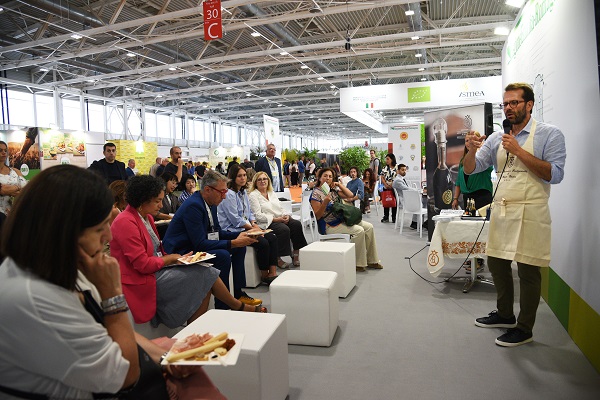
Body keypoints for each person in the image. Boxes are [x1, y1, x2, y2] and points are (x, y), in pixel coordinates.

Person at [464, 82, 566, 347]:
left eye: (514, 103)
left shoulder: (549, 134)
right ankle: (505, 315)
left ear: (529, 105)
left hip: (531, 211)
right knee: (496, 263)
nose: (508, 108)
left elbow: (555, 174)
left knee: (528, 270)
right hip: (504, 209)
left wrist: (519, 150)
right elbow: (471, 170)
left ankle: (524, 328)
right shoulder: (497, 138)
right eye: (505, 103)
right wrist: (471, 149)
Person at [111, 176, 265, 331]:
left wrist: (177, 259)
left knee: (206, 273)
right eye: (157, 201)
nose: (161, 205)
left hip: (158, 268)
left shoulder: (146, 217)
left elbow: (159, 250)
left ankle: (197, 328)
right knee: (207, 273)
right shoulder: (125, 222)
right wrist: (171, 259)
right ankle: (234, 307)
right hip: (142, 279)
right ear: (143, 200)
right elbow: (142, 264)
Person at [162, 170, 262, 309]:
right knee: (223, 255)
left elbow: (216, 232)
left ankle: (238, 293)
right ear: (208, 189)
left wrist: (242, 235)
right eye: (222, 192)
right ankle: (224, 306)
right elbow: (200, 243)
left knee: (240, 247)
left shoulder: (211, 203)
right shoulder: (194, 206)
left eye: (225, 191)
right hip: (182, 252)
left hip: (194, 245)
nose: (225, 196)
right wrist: (232, 242)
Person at [310, 167, 382, 272]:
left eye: (330, 176)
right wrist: (325, 203)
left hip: (342, 219)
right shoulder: (316, 193)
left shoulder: (332, 189)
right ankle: (358, 263)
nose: (328, 178)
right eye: (325, 176)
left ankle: (372, 260)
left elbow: (350, 195)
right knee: (359, 231)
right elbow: (317, 216)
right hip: (329, 224)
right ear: (319, 178)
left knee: (369, 227)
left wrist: (339, 185)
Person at [218, 165, 280, 285]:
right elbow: (235, 219)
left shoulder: (243, 192)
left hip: (246, 226)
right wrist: (253, 229)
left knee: (272, 237)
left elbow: (250, 213)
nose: (243, 178)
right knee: (263, 242)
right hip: (232, 230)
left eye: (244, 175)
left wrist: (254, 223)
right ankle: (264, 275)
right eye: (239, 176)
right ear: (233, 177)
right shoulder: (229, 194)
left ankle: (273, 272)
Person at [249, 171, 308, 268]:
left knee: (296, 225)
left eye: (264, 179)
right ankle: (277, 258)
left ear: (268, 181)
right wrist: (276, 220)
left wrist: (286, 215)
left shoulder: (271, 193)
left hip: (280, 217)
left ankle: (296, 255)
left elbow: (280, 208)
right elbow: (258, 215)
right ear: (255, 182)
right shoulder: (253, 195)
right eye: (259, 179)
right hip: (266, 222)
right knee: (283, 229)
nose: (262, 181)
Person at [451, 146, 494, 211]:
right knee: (468, 219)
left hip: (482, 196)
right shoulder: (463, 161)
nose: (469, 143)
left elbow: (490, 168)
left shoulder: (484, 159)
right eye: (467, 141)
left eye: (472, 140)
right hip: (467, 197)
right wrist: (455, 198)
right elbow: (459, 181)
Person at [392, 164, 427, 230]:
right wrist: (420, 190)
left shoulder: (401, 179)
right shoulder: (398, 180)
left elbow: (408, 188)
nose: (404, 171)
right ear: (398, 171)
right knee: (423, 201)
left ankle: (416, 223)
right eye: (402, 170)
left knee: (422, 200)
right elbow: (407, 189)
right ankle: (419, 223)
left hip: (407, 199)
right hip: (404, 201)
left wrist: (420, 190)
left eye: (405, 170)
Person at [0, 141, 27, 216]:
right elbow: (2, 190)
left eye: (5, 150)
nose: (3, 153)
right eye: (0, 150)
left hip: (14, 214)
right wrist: (18, 187)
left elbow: (26, 189)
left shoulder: (15, 171)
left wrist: (11, 190)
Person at [380, 153, 397, 223]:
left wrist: (392, 184)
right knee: (386, 201)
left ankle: (394, 217)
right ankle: (386, 216)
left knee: (394, 202)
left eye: (388, 159)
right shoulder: (385, 168)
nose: (386, 160)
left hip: (394, 187)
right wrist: (385, 184)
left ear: (392, 159)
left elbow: (398, 177)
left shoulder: (397, 167)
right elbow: (382, 177)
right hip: (386, 187)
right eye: (386, 159)